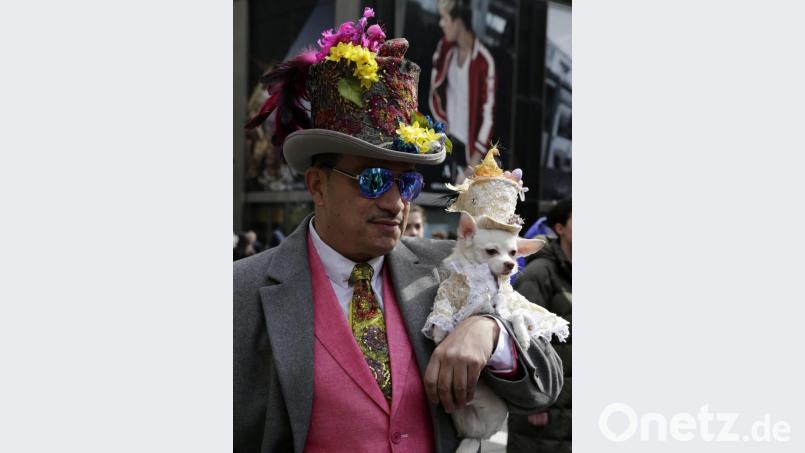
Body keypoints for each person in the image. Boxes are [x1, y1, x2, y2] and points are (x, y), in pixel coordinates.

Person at [237, 9, 562, 452]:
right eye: (372, 180)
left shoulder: (449, 269)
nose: (395, 202)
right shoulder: (241, 293)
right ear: (317, 185)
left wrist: (489, 331)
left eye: (406, 181)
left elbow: (545, 384)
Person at [507, 198, 572, 453]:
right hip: (544, 410)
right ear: (560, 228)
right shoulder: (539, 273)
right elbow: (523, 338)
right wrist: (536, 400)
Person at [429, 0, 497, 173]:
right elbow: (434, 92)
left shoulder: (484, 61)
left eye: (444, 18)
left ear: (458, 22)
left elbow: (488, 117)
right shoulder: (444, 49)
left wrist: (474, 164)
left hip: (469, 152)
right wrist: (442, 126)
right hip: (446, 142)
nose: (441, 24)